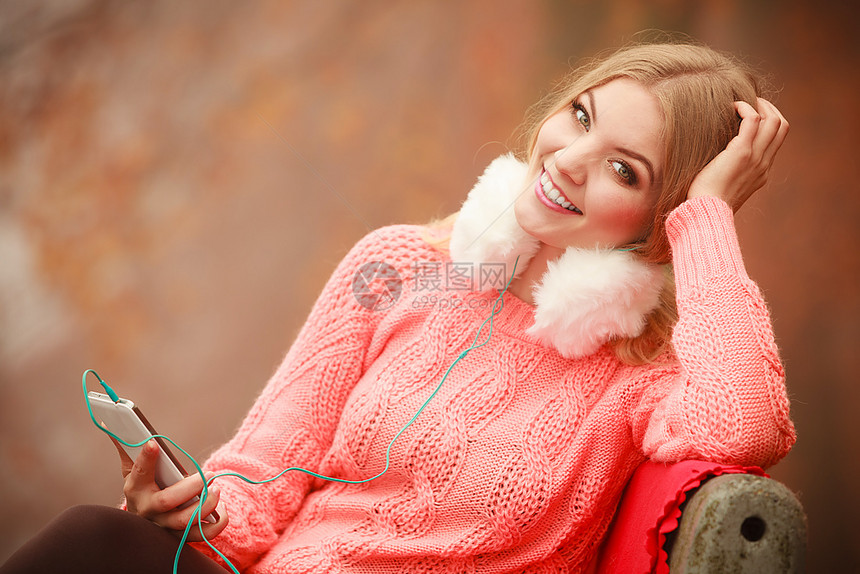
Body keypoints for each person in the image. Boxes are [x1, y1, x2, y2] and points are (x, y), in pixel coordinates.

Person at [1, 38, 795, 574]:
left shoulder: (645, 375)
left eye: (625, 170)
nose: (570, 160)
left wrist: (711, 217)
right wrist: (196, 508)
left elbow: (748, 426)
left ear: (665, 218)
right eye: (580, 117)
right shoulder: (398, 265)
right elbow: (265, 468)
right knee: (93, 538)